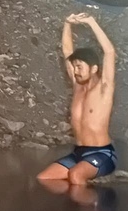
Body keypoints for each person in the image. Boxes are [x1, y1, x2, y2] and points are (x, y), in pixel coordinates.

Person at [37, 11, 117, 184]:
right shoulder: (78, 85)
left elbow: (109, 52)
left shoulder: (104, 88)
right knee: (44, 178)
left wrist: (91, 22)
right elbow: (67, 51)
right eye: (74, 67)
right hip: (79, 153)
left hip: (102, 153)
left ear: (94, 69)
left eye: (79, 67)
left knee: (76, 175)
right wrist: (67, 23)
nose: (75, 71)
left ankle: (91, 209)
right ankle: (76, 205)